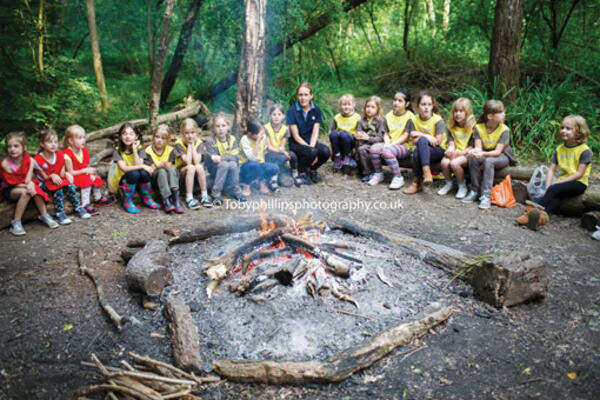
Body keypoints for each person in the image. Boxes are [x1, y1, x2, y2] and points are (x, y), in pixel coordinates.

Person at [516, 115, 592, 230]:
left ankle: (530, 212)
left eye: (568, 128)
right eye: (562, 127)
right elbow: (551, 169)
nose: (563, 131)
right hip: (562, 182)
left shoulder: (584, 150)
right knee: (554, 196)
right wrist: (548, 185)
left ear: (579, 131)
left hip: (578, 183)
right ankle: (540, 218)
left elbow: (579, 173)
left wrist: (556, 184)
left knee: (554, 189)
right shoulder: (559, 149)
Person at [462, 100, 517, 209]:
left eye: (503, 112)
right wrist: (475, 152)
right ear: (490, 116)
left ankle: (486, 195)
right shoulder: (478, 128)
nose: (504, 114)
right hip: (486, 153)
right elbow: (478, 148)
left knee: (489, 161)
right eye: (500, 112)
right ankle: (474, 190)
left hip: (502, 156)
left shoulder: (504, 130)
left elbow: (497, 152)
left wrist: (482, 153)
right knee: (473, 159)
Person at [1, 132, 58, 235]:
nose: (12, 149)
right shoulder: (5, 164)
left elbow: (28, 179)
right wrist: (29, 186)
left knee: (35, 189)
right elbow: (12, 182)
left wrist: (31, 184)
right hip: (10, 189)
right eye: (9, 146)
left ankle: (44, 215)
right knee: (26, 192)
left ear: (24, 148)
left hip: (24, 184)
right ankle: (16, 222)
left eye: (16, 146)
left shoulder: (29, 160)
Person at [34, 129, 90, 224]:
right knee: (58, 189)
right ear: (42, 144)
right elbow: (43, 177)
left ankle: (78, 207)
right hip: (45, 182)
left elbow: (61, 172)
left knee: (69, 185)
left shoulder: (60, 154)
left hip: (58, 180)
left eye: (55, 142)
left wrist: (67, 174)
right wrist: (51, 176)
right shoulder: (38, 159)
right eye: (49, 142)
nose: (53, 144)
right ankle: (60, 213)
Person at [108, 122, 160, 214]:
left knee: (144, 173)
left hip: (137, 178)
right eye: (124, 133)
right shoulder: (117, 150)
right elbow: (123, 168)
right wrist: (143, 166)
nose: (128, 136)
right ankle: (127, 200)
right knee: (134, 173)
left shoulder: (139, 148)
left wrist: (135, 150)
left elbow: (138, 165)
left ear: (136, 136)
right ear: (120, 136)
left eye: (131, 134)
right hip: (124, 179)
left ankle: (147, 198)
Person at [286, 82, 331, 185]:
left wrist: (312, 148)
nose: (303, 98)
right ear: (297, 96)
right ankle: (300, 172)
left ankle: (312, 170)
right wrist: (312, 151)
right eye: (300, 95)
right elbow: (296, 136)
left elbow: (315, 133)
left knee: (325, 151)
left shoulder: (316, 109)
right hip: (296, 145)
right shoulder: (292, 111)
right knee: (311, 152)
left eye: (306, 95)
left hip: (310, 142)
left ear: (311, 96)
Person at [369, 89, 415, 189]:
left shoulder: (410, 116)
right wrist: (387, 143)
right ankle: (379, 174)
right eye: (395, 100)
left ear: (407, 104)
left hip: (404, 146)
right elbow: (386, 133)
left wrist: (391, 145)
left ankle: (398, 177)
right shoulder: (388, 116)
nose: (396, 103)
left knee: (386, 151)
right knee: (374, 149)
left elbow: (406, 136)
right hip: (390, 144)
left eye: (400, 101)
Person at [402, 91, 446, 194]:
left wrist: (420, 134)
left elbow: (437, 141)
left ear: (432, 106)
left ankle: (417, 182)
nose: (426, 107)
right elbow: (413, 141)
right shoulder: (414, 119)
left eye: (429, 104)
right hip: (423, 150)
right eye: (423, 104)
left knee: (420, 145)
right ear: (417, 106)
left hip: (438, 150)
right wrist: (426, 137)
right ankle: (424, 176)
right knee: (418, 151)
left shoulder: (438, 120)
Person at [63, 125, 113, 216]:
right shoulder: (67, 154)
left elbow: (84, 166)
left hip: (81, 174)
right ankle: (85, 204)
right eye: (80, 138)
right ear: (70, 141)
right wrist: (85, 171)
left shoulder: (84, 151)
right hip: (72, 176)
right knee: (86, 180)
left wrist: (89, 172)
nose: (83, 140)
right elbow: (70, 172)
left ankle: (98, 198)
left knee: (95, 177)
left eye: (84, 137)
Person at [204, 112, 246, 206]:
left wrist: (222, 157)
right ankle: (215, 194)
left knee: (233, 164)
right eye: (218, 126)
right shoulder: (211, 141)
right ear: (214, 128)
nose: (221, 129)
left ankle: (236, 190)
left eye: (223, 126)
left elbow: (235, 157)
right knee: (224, 164)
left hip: (229, 166)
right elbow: (213, 159)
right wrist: (225, 158)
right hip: (215, 168)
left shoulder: (232, 139)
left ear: (228, 127)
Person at [437, 98, 475, 198]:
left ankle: (462, 186)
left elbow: (472, 147)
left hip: (468, 154)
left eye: (461, 111)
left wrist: (459, 154)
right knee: (444, 162)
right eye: (455, 111)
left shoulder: (473, 128)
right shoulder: (451, 127)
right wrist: (450, 150)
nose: (457, 114)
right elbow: (451, 142)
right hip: (456, 152)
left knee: (454, 163)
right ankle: (448, 183)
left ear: (468, 112)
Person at [144, 124, 183, 213]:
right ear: (153, 137)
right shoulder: (148, 151)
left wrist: (167, 165)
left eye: (163, 138)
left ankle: (176, 199)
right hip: (155, 178)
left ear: (167, 140)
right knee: (161, 171)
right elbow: (150, 168)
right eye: (157, 137)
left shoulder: (170, 150)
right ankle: (166, 200)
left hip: (168, 177)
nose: (159, 140)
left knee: (172, 170)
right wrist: (159, 165)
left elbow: (171, 165)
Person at [174, 118, 211, 209]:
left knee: (198, 166)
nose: (190, 136)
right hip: (181, 171)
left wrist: (192, 145)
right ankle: (189, 198)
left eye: (192, 133)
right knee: (191, 167)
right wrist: (190, 145)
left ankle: (204, 195)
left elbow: (197, 161)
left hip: (194, 169)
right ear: (182, 133)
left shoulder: (199, 142)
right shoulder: (179, 143)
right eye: (186, 133)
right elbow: (187, 161)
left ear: (197, 132)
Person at [239, 118, 280, 196]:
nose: (262, 136)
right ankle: (246, 186)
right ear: (250, 133)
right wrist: (257, 141)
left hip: (258, 165)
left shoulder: (263, 137)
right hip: (246, 167)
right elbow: (253, 158)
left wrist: (262, 173)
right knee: (255, 164)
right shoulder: (244, 140)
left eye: (262, 133)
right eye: (259, 134)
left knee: (275, 168)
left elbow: (262, 154)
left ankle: (261, 183)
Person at [264, 104, 301, 187]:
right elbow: (268, 147)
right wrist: (283, 153)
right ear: (270, 116)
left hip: (279, 151)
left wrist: (283, 151)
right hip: (269, 153)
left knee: (293, 156)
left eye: (279, 114)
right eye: (274, 114)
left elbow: (282, 145)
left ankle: (295, 174)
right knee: (281, 157)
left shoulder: (285, 129)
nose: (276, 117)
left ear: (283, 116)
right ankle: (273, 179)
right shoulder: (266, 128)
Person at [355, 96, 384, 182]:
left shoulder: (380, 121)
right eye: (367, 106)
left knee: (362, 149)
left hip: (375, 144)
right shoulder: (361, 121)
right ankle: (360, 169)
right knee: (358, 145)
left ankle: (369, 173)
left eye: (372, 107)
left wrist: (368, 138)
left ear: (378, 109)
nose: (369, 109)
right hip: (363, 143)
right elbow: (358, 132)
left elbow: (381, 138)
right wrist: (358, 135)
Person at [329, 94, 361, 170]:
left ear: (353, 105)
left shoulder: (357, 117)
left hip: (351, 142)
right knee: (333, 133)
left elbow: (359, 133)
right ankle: (337, 156)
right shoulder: (337, 117)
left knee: (343, 134)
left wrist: (356, 148)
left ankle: (347, 156)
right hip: (340, 142)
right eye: (344, 104)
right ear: (340, 105)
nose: (346, 107)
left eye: (349, 104)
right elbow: (332, 131)